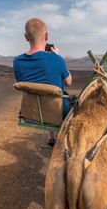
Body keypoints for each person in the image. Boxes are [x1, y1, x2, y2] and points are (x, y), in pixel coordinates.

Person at [13, 18, 72, 146]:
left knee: (45, 99)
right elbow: (69, 82)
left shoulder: (17, 61)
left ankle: (51, 138)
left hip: (32, 111)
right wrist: (56, 57)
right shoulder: (57, 59)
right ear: (46, 36)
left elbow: (24, 84)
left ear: (26, 37)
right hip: (59, 111)